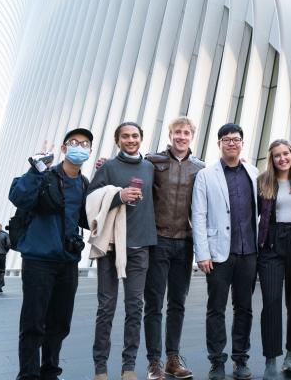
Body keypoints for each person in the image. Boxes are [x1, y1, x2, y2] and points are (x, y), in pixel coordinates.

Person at [9, 127, 93, 380]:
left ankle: (50, 372)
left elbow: (90, 218)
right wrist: (37, 167)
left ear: (89, 151)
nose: (80, 146)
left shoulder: (84, 183)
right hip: (39, 259)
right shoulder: (44, 175)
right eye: (74, 142)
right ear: (64, 148)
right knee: (34, 321)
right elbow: (18, 196)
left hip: (68, 261)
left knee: (60, 322)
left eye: (85, 143)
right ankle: (28, 375)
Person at [90, 122, 156, 380]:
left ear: (141, 138)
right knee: (106, 307)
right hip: (110, 246)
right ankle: (100, 368)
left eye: (135, 136)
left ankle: (128, 367)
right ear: (117, 140)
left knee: (134, 307)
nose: (131, 140)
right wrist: (118, 196)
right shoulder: (107, 167)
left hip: (140, 247)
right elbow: (91, 198)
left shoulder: (150, 167)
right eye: (125, 136)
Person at [192, 123, 259, 380]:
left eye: (236, 139)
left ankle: (240, 359)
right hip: (219, 254)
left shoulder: (253, 173)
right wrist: (203, 253)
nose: (232, 143)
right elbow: (198, 215)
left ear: (242, 143)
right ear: (219, 144)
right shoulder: (206, 176)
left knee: (244, 308)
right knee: (216, 308)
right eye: (227, 139)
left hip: (249, 252)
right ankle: (217, 361)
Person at [143, 117, 204, 380]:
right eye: (177, 132)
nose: (181, 136)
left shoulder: (200, 168)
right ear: (170, 135)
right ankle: (153, 362)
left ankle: (172, 359)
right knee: (154, 303)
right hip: (158, 241)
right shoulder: (153, 161)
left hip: (185, 242)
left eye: (186, 132)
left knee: (177, 303)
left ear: (192, 136)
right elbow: (129, 172)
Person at [256, 140, 291, 380]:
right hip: (271, 242)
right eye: (277, 155)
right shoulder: (262, 181)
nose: (282, 159)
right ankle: (270, 359)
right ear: (272, 158)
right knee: (270, 301)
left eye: (285, 154)